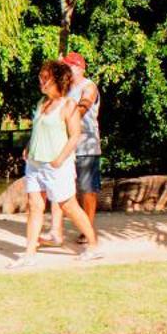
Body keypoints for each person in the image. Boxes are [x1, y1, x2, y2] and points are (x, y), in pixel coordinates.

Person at [12, 59, 101, 266]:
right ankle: (29, 253)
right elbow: (38, 130)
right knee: (34, 206)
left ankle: (93, 244)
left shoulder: (68, 105)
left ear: (57, 80)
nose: (41, 81)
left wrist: (59, 159)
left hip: (56, 165)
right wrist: (28, 146)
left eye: (45, 78)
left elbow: (75, 136)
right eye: (40, 77)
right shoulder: (41, 104)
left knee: (69, 206)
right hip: (35, 163)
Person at [48, 51, 102, 250]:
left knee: (87, 190)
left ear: (78, 67)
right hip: (66, 145)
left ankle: (87, 229)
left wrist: (63, 117)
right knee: (60, 187)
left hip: (87, 145)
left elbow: (83, 107)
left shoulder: (89, 86)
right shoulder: (64, 88)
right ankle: (56, 230)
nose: (66, 70)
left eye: (68, 66)